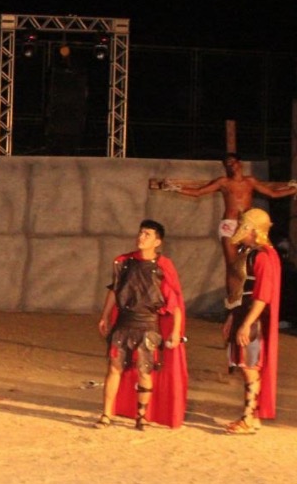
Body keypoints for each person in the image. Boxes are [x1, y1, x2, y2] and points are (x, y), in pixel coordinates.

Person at [164, 153, 296, 306]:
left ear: (240, 164)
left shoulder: (250, 181)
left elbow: (272, 193)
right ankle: (233, 300)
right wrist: (176, 188)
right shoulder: (223, 182)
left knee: (251, 261)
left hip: (246, 226)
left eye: (233, 162)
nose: (231, 165)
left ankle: (251, 297)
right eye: (228, 163)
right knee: (232, 264)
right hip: (230, 224)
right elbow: (199, 192)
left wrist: (292, 190)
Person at [96, 219, 185, 430]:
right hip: (124, 322)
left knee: (145, 370)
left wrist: (175, 330)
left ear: (157, 241)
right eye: (140, 233)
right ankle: (106, 414)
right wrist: (105, 316)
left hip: (148, 325)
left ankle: (141, 416)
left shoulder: (163, 267)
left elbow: (175, 302)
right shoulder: (123, 262)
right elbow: (114, 290)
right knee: (114, 368)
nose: (141, 237)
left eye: (147, 234)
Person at [221, 208, 281, 434]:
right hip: (241, 311)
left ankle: (248, 418)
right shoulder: (249, 251)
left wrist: (247, 323)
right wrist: (232, 316)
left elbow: (263, 296)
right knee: (244, 367)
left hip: (252, 317)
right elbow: (240, 288)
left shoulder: (264, 256)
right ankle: (251, 416)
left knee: (249, 368)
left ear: (253, 229)